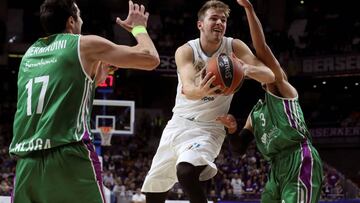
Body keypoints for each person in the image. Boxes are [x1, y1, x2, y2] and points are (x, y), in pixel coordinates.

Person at [9, 0, 159, 202]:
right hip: (69, 153)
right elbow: (150, 58)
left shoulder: (30, 54)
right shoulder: (83, 44)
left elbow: (60, 90)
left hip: (27, 161)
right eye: (79, 16)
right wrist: (139, 27)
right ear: (71, 21)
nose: (81, 20)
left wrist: (97, 76)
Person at [141, 1, 275, 202]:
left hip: (209, 127)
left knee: (185, 171)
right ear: (200, 24)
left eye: (223, 19)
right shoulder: (186, 51)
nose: (220, 22)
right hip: (178, 123)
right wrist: (200, 90)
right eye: (214, 18)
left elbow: (270, 75)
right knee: (153, 194)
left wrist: (247, 70)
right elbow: (188, 88)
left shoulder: (234, 47)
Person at [218, 0, 324, 202]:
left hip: (299, 158)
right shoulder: (255, 114)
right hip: (275, 169)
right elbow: (239, 149)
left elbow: (261, 48)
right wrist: (231, 130)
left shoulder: (283, 88)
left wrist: (249, 9)